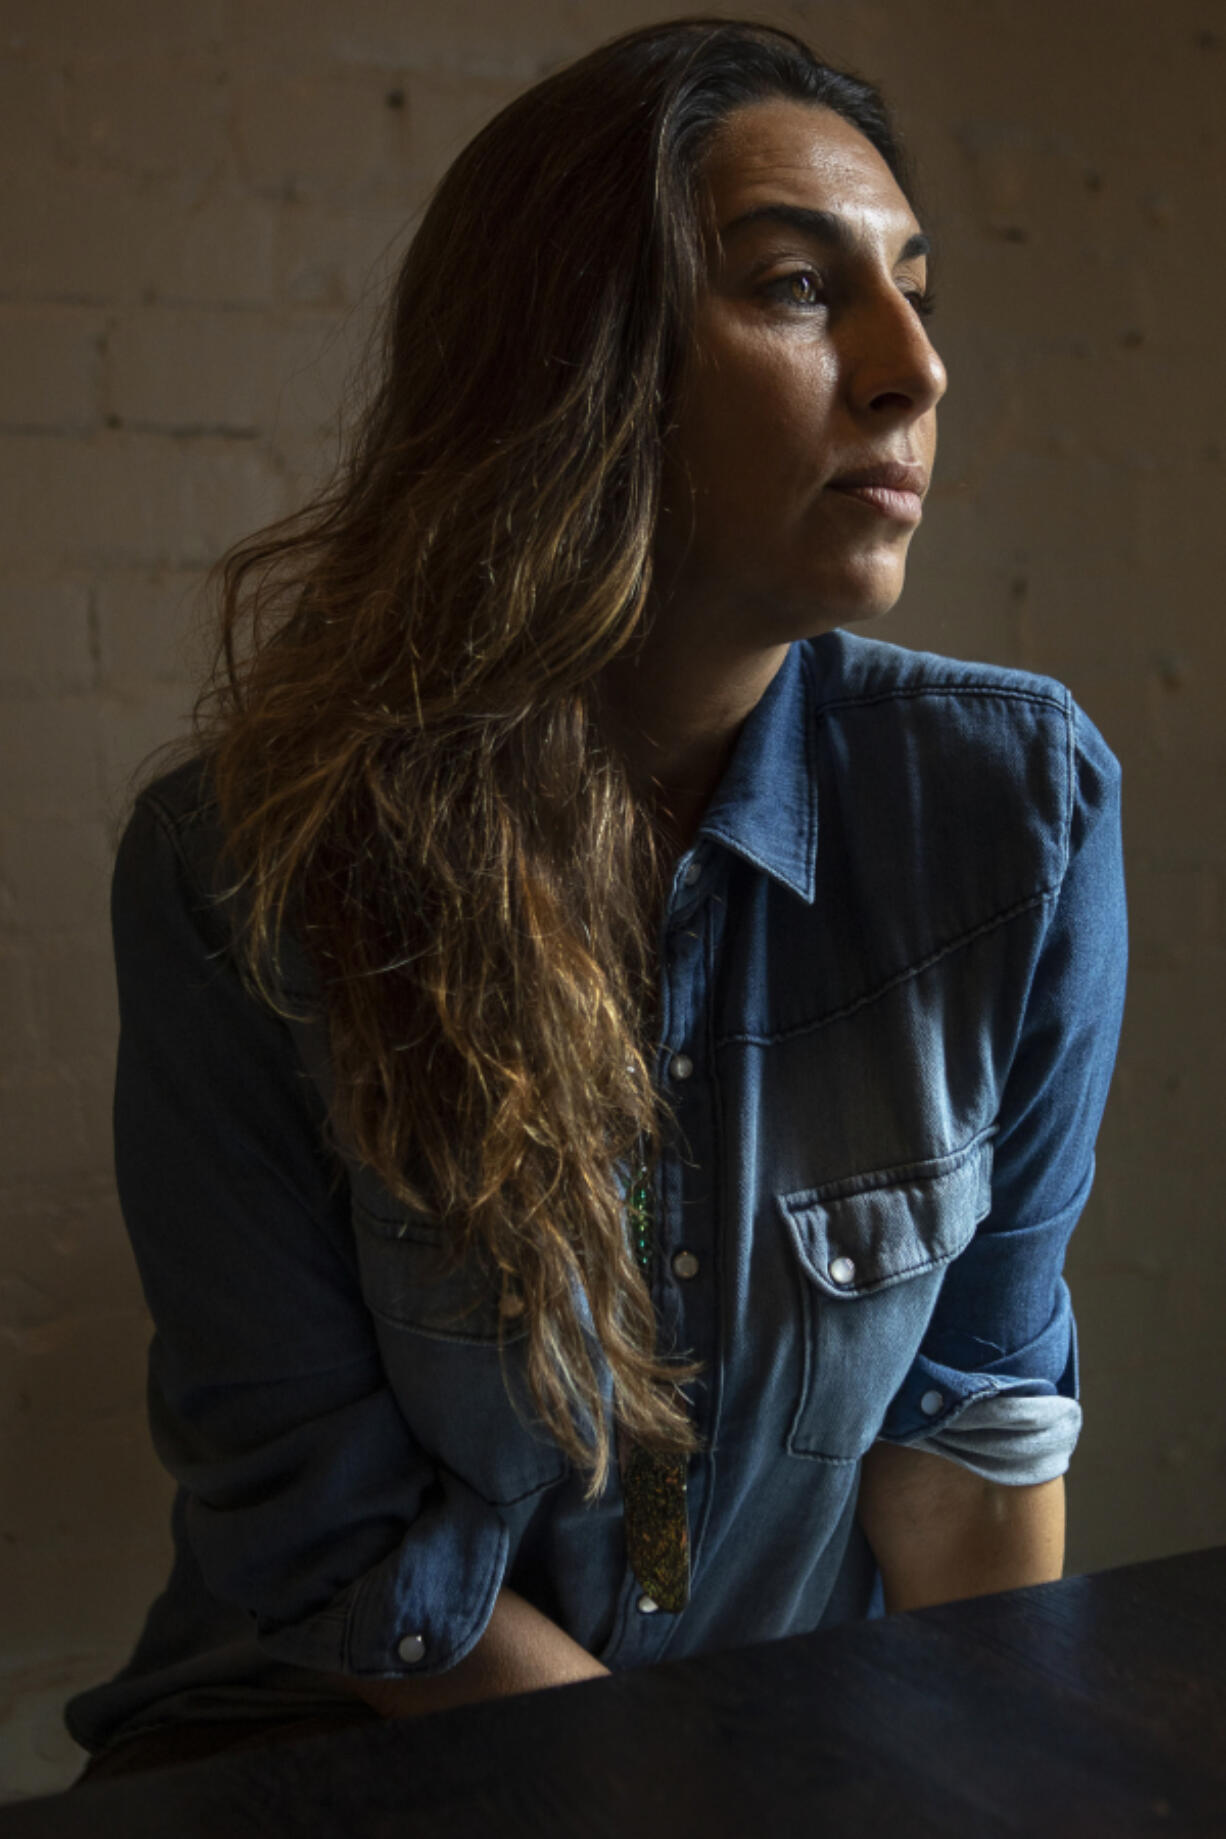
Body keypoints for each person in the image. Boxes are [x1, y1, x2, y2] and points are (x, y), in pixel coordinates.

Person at [66, 17, 1127, 1783]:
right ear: (575, 359)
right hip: (340, 1747)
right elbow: (330, 1535)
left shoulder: (1011, 808)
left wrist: (981, 1785)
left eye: (917, 292)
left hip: (794, 1751)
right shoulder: (248, 861)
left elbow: (972, 1433)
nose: (912, 368)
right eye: (798, 288)